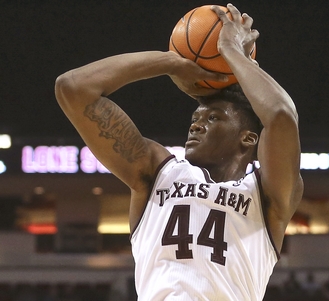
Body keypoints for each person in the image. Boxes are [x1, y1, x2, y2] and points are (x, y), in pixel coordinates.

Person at [55, 3, 303, 301]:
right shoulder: (158, 172)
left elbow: (280, 116)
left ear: (249, 139)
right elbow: (73, 88)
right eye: (195, 119)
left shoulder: (266, 196)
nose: (196, 126)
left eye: (213, 118)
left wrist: (232, 51)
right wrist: (170, 63)